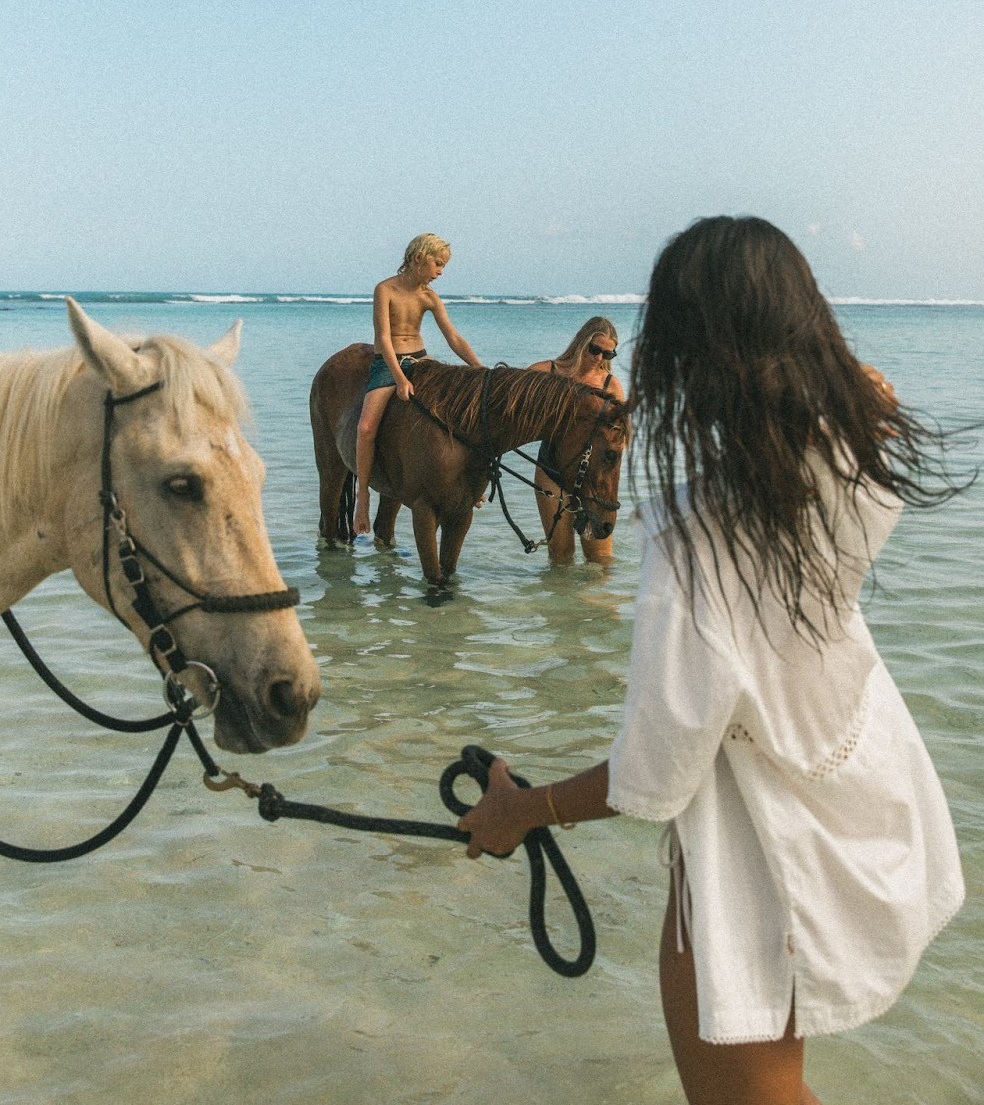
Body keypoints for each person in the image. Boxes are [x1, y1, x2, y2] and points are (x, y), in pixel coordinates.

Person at [458, 216, 966, 1105]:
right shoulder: (851, 462)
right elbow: (863, 405)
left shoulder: (700, 539)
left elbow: (654, 776)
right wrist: (853, 391)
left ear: (685, 362)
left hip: (758, 862)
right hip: (852, 804)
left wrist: (521, 811)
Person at [353, 233, 482, 537]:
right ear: (418, 257)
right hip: (388, 363)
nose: (441, 271)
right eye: (438, 264)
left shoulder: (429, 297)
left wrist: (477, 367)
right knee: (366, 428)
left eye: (444, 266)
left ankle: (470, 486)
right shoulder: (385, 290)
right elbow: (383, 338)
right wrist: (399, 378)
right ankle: (363, 498)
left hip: (422, 360)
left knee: (455, 414)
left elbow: (453, 337)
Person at [528, 316, 627, 562]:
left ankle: (594, 602)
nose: (599, 358)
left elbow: (621, 438)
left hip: (594, 478)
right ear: (581, 342)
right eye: (595, 349)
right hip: (552, 470)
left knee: (600, 560)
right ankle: (560, 601)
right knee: (560, 557)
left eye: (608, 354)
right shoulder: (546, 372)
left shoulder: (610, 384)